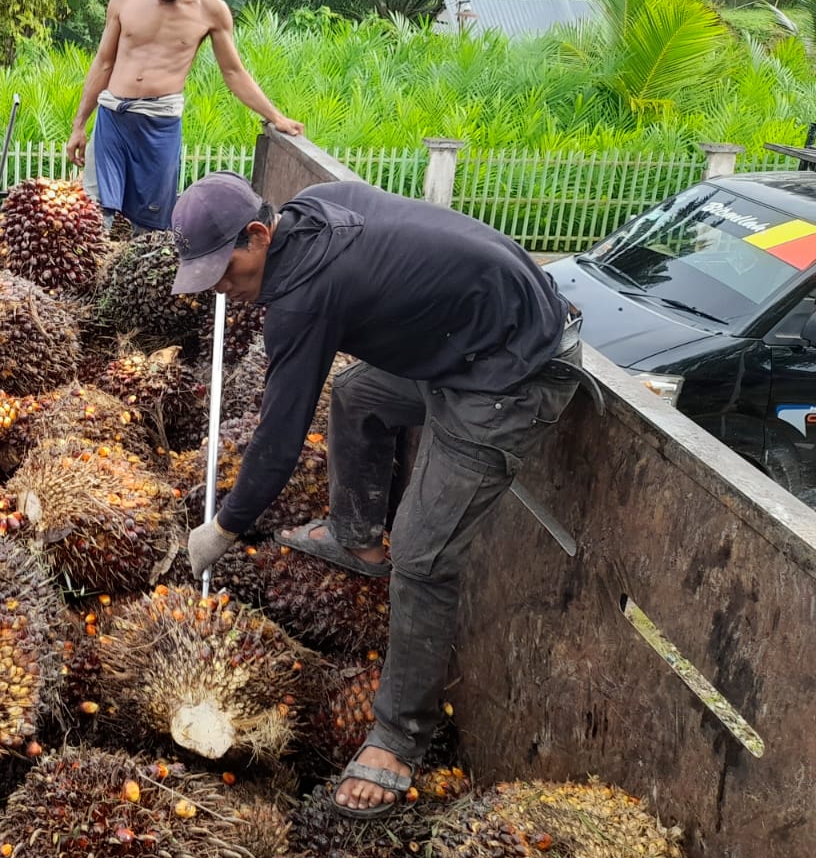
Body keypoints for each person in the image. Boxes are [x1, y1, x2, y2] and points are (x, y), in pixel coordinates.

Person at [175, 171, 591, 819]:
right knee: (359, 394)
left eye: (223, 269)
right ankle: (356, 534)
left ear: (258, 234)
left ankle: (399, 739)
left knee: (423, 557)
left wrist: (223, 528)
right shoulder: (309, 211)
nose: (220, 288)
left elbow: (280, 440)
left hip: (513, 374)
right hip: (469, 342)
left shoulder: (306, 296)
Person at [64, 0, 303, 232]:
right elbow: (103, 62)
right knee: (94, 213)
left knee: (151, 224)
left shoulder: (211, 10)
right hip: (113, 118)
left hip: (159, 126)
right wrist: (79, 124)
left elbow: (233, 72)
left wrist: (275, 116)